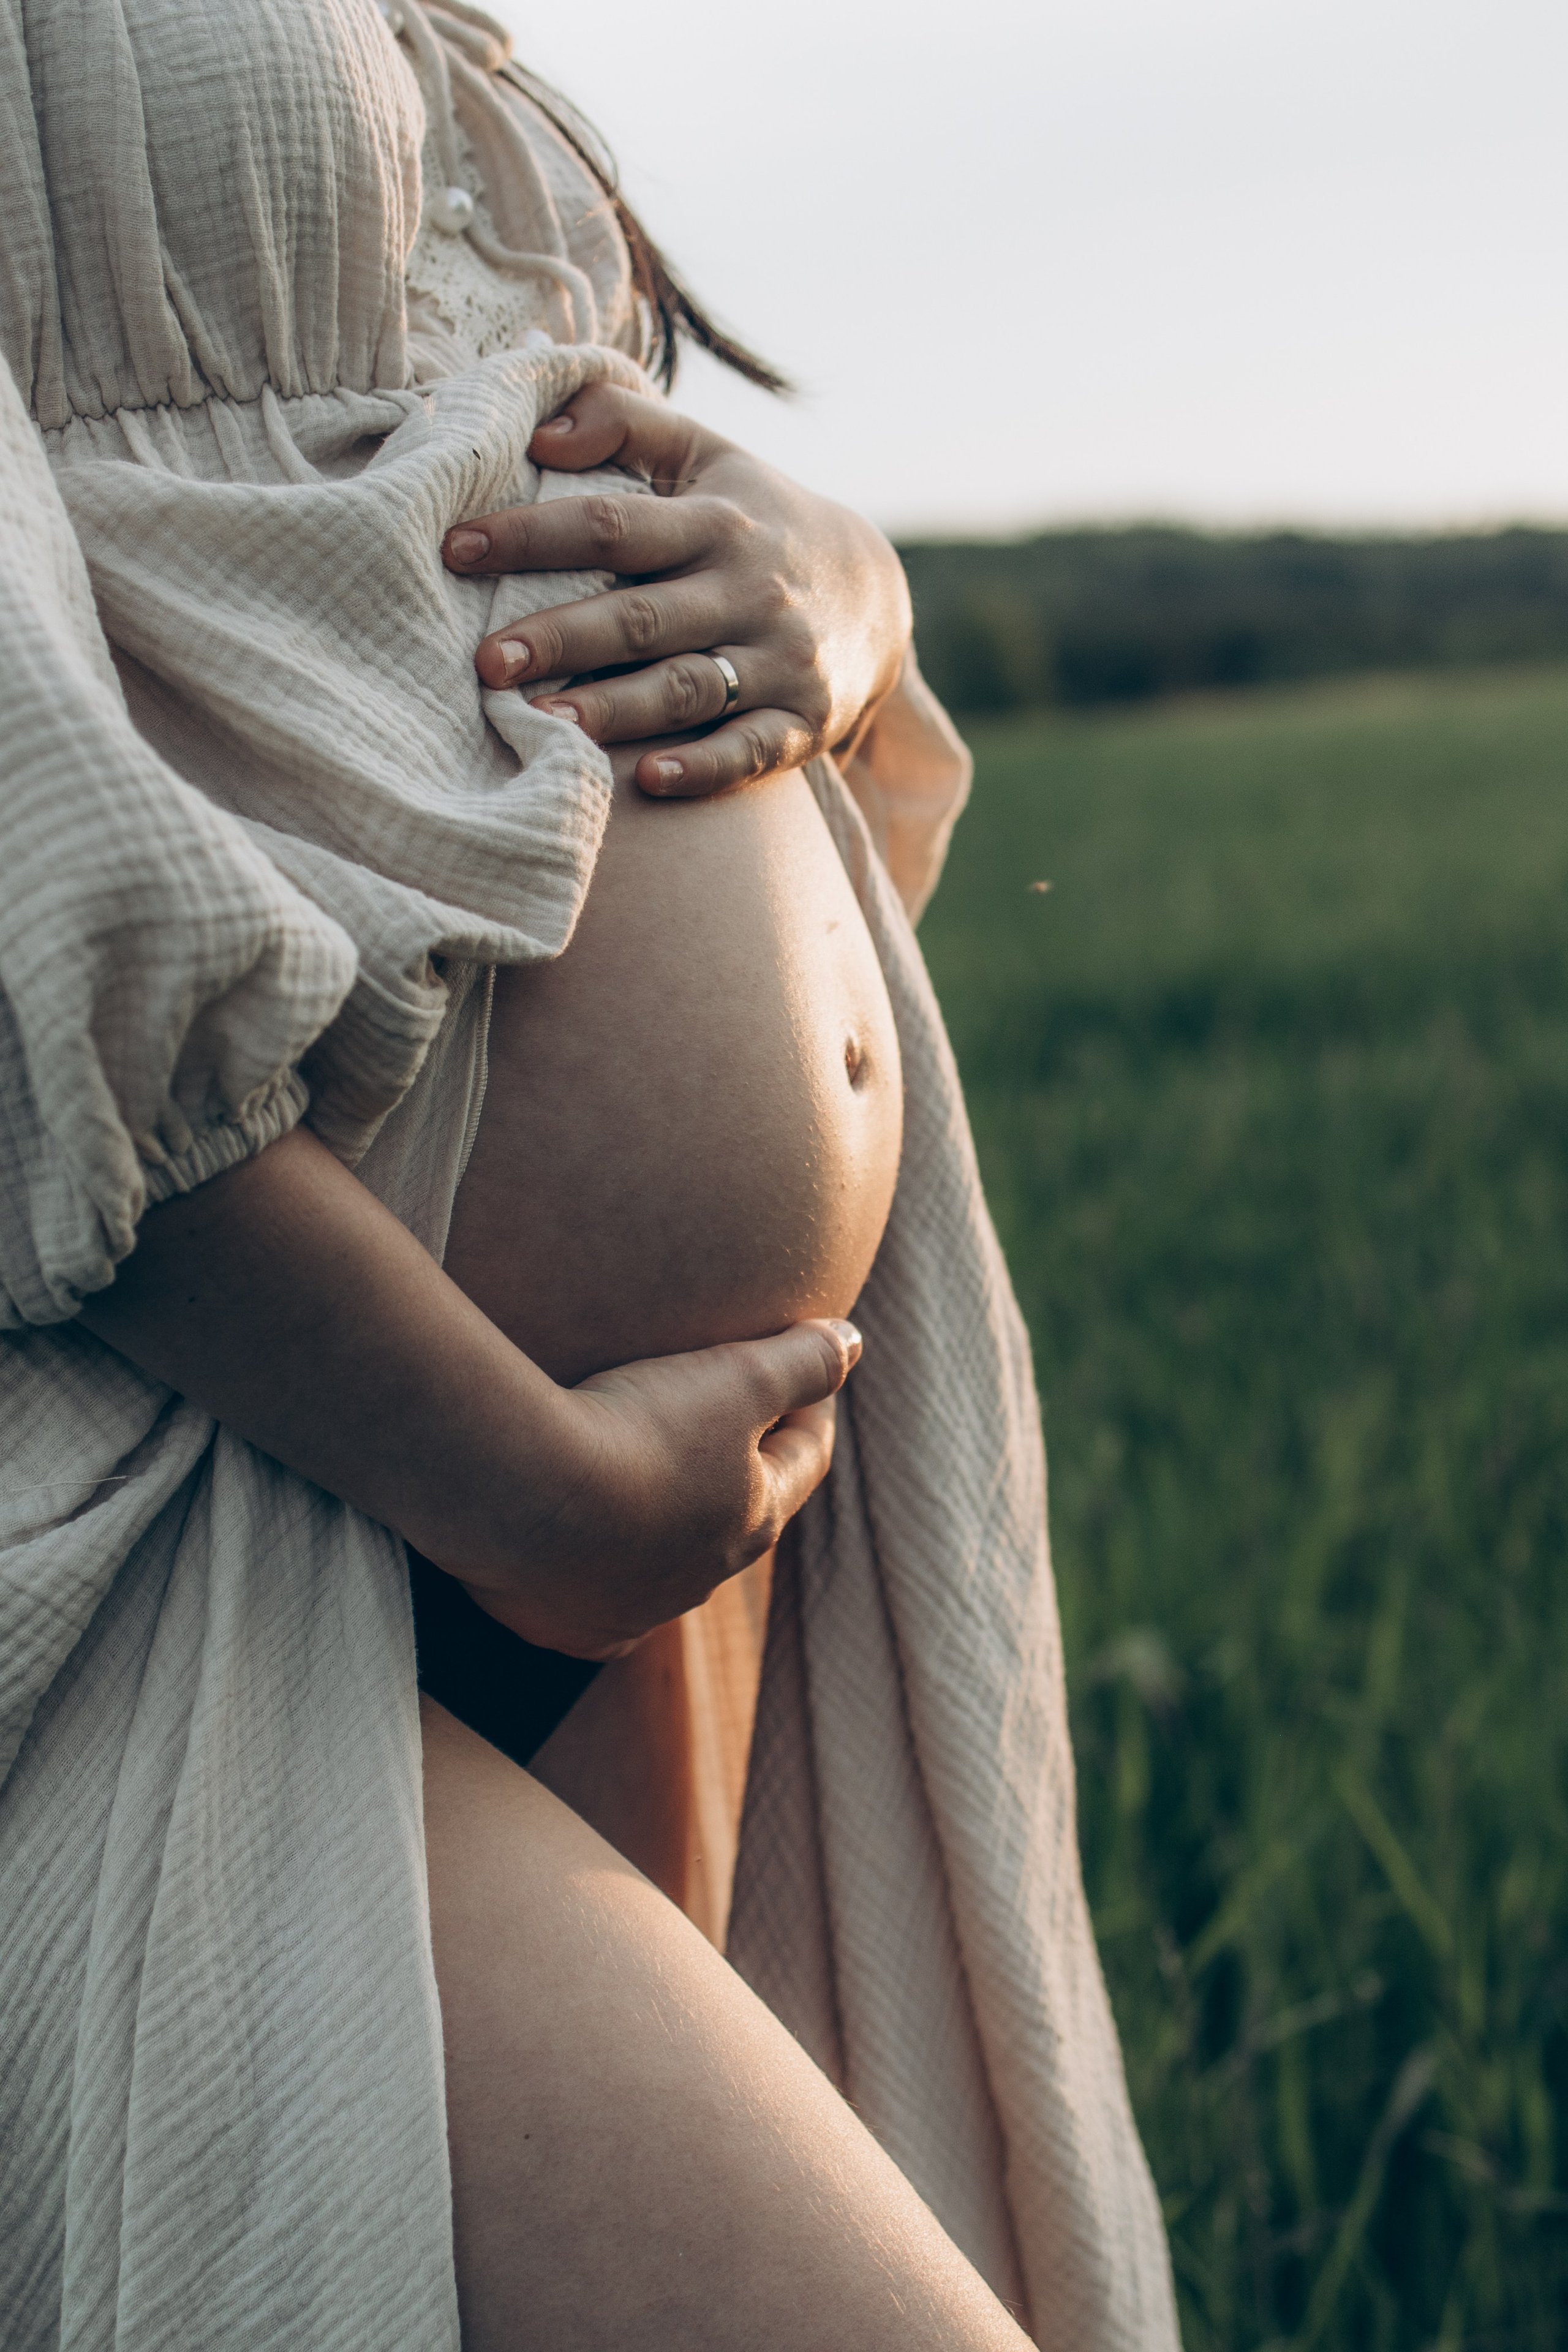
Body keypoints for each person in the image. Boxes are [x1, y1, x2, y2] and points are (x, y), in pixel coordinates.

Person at [0, 0, 1180, 2345]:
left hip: (529, 1523)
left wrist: (835, 591)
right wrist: (516, 1477)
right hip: (221, 1470)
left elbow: (413, 470)